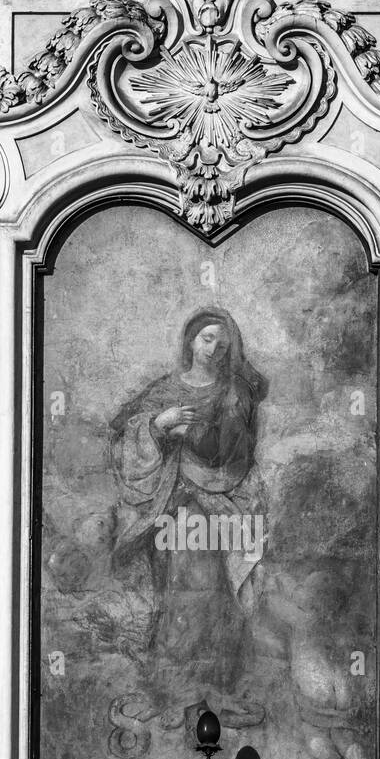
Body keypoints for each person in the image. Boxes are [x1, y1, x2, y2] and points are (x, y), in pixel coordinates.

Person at [109, 307, 267, 729]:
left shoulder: (234, 393)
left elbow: (231, 454)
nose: (214, 349)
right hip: (168, 505)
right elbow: (120, 427)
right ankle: (172, 690)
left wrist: (189, 434)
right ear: (191, 341)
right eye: (207, 339)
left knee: (210, 595)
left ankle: (214, 687)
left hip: (211, 509)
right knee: (173, 595)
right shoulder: (165, 389)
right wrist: (158, 426)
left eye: (222, 342)